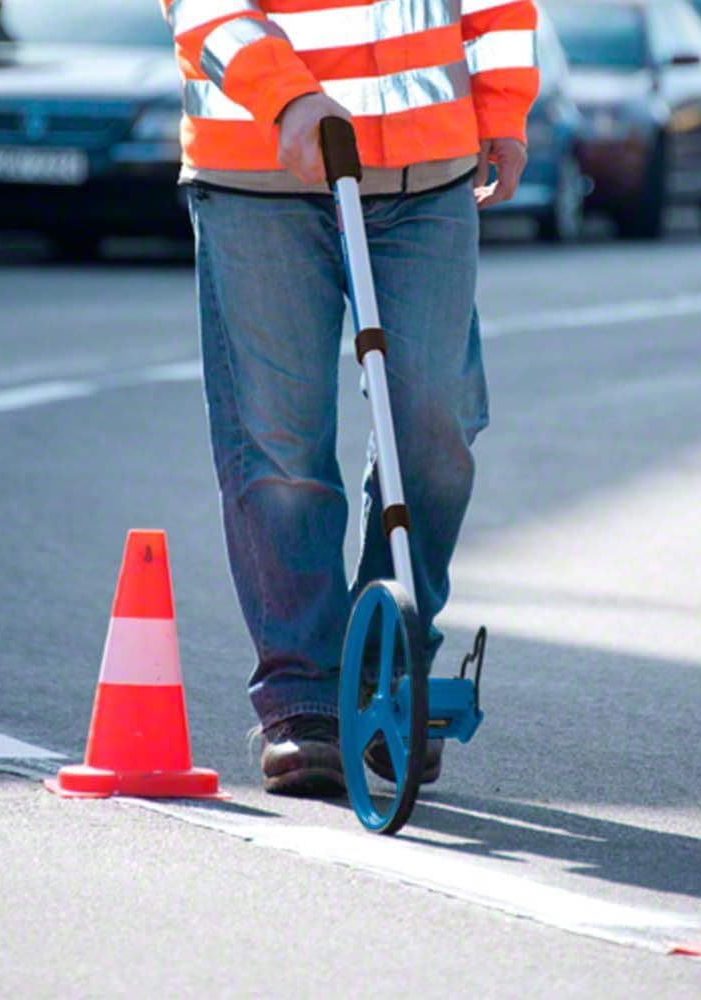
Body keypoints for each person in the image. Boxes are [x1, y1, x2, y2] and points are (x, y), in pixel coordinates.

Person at [161, 0, 539, 796]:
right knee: (282, 447)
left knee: (436, 425)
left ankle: (388, 665)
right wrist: (289, 98)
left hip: (427, 173)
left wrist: (501, 103)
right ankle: (304, 698)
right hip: (259, 166)